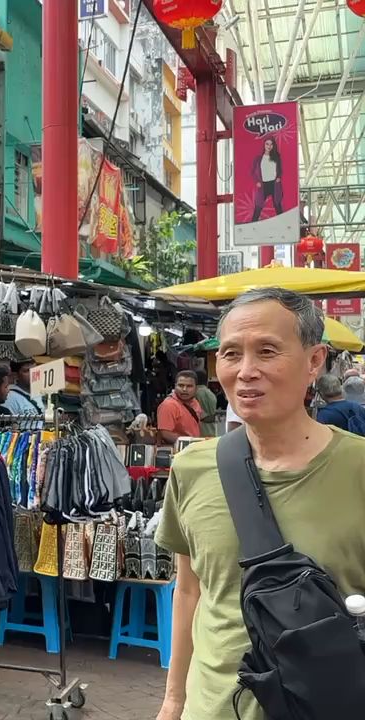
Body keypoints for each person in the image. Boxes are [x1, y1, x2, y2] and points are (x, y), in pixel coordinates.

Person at [154, 287, 365, 720]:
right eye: (231, 354)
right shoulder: (192, 468)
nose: (246, 371)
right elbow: (190, 591)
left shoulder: (358, 469)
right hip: (211, 708)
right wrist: (174, 701)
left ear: (314, 361)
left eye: (267, 351)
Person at [155, 371, 202, 445]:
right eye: (181, 385)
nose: (184, 389)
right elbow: (165, 434)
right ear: (175, 386)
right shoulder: (169, 405)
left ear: (196, 388)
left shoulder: (195, 403)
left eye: (189, 386)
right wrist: (189, 443)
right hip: (175, 451)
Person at [249, 137, 284, 222]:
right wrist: (257, 181)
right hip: (263, 185)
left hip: (274, 184)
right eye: (267, 144)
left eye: (271, 144)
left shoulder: (276, 157)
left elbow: (280, 170)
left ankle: (283, 223)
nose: (269, 146)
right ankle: (253, 224)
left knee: (277, 204)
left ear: (273, 146)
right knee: (258, 206)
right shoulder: (258, 159)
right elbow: (252, 172)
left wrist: (278, 177)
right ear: (264, 145)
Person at [193, 370, 218, 437]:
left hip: (200, 432)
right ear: (206, 380)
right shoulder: (211, 394)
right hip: (212, 430)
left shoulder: (194, 394)